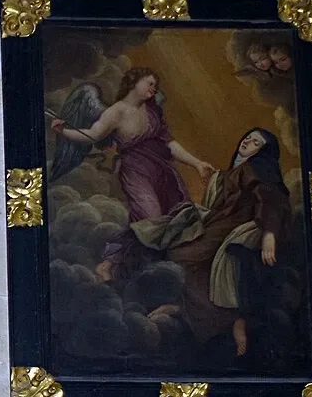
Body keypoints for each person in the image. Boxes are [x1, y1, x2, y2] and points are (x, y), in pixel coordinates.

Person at [130, 128, 293, 359]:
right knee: (172, 246)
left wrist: (269, 233)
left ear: (262, 152)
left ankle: (229, 320)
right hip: (217, 223)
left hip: (232, 226)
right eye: (248, 136)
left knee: (181, 256)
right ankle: (188, 310)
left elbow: (271, 198)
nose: (248, 141)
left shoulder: (257, 170)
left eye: (256, 142)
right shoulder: (236, 170)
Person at [50, 68, 214, 280]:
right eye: (150, 83)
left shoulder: (154, 110)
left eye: (155, 85)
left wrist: (197, 163)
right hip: (136, 171)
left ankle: (157, 271)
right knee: (150, 218)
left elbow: (169, 144)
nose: (153, 89)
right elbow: (92, 135)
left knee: (174, 217)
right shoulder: (116, 111)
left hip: (164, 171)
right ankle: (108, 263)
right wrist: (64, 131)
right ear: (134, 82)